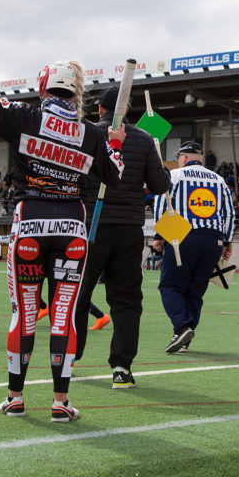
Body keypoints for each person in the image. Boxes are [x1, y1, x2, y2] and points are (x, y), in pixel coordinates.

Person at [0, 44, 125, 421]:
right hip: (72, 228)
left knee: (23, 314)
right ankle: (60, 401)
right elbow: (115, 175)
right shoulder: (91, 133)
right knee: (63, 316)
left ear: (43, 87)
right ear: (76, 91)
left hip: (30, 224)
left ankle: (15, 397)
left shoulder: (24, 117)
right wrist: (115, 142)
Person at [76, 87, 171, 388]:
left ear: (100, 109)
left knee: (78, 294)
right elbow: (160, 185)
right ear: (127, 109)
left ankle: (68, 356)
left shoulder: (87, 133)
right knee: (127, 299)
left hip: (92, 226)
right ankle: (121, 366)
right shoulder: (143, 139)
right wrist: (160, 166)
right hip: (129, 228)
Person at [153, 141, 234, 354]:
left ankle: (182, 327)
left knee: (169, 286)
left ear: (184, 158)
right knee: (195, 292)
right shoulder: (218, 179)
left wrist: (159, 235)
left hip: (183, 235)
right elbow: (229, 213)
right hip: (213, 240)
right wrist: (227, 241)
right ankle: (183, 341)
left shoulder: (175, 175)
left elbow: (162, 204)